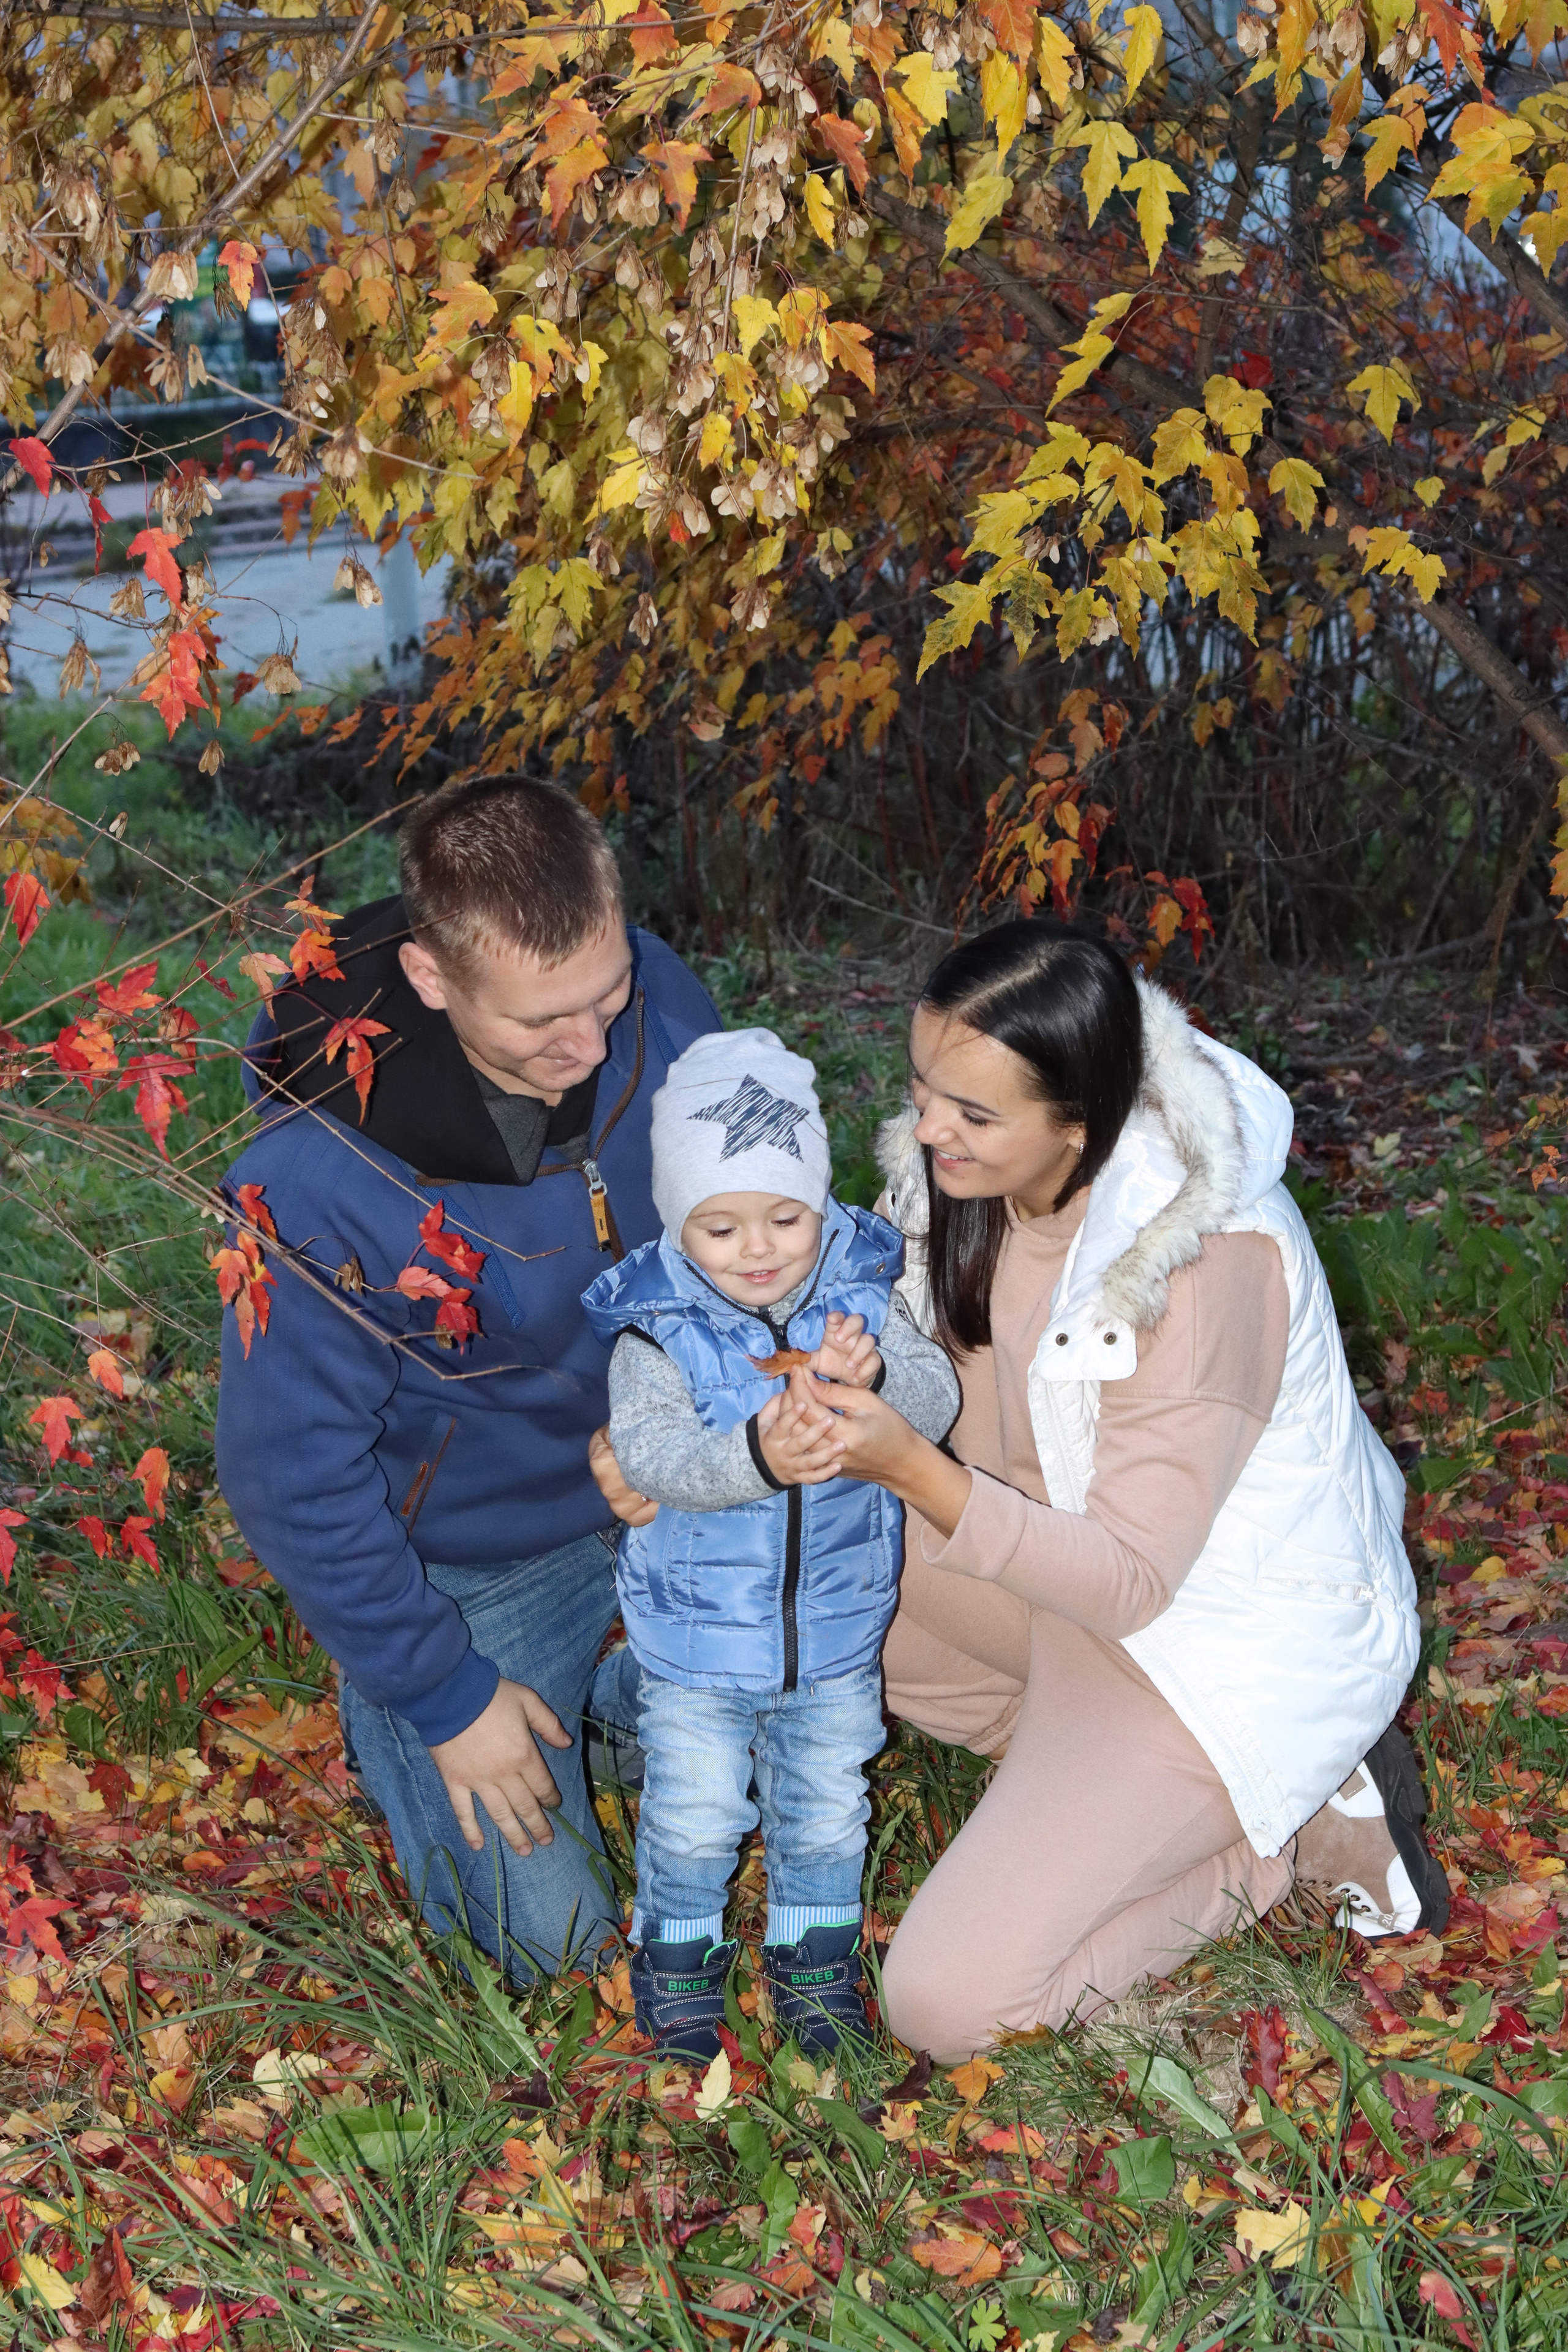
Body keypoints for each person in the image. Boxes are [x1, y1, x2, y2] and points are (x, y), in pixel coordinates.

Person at [594, 921, 1446, 2060]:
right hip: (1043, 1598)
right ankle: (1058, 1766)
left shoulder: (1201, 1267)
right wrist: (674, 1453)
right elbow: (800, 1344)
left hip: (1202, 1646)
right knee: (804, 1570)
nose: (928, 1131)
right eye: (922, 1088)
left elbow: (1134, 1581)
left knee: (950, 2006)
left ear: (1081, 1123)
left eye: (973, 1114)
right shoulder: (957, 1183)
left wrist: (910, 1468)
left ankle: (1290, 1830)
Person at [215, 777, 722, 1979]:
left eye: (605, 1000)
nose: (591, 1050)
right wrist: (445, 1697)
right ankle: (405, 1712)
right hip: (473, 1563)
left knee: (820, 1699)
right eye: (541, 1024)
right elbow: (290, 1479)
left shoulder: (657, 998)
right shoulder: (313, 1179)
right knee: (562, 1956)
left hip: (671, 1479)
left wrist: (669, 1396)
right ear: (435, 980)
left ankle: (609, 1714)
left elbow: (744, 1228)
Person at [581, 1031, 959, 2059]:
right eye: (721, 1226)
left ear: (819, 1197)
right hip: (699, 1644)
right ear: (677, 1220)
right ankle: (678, 1967)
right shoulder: (656, 1324)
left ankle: (815, 1965)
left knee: (828, 1808)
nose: (757, 1248)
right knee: (698, 1812)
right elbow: (655, 1455)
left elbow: (938, 1396)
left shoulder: (862, 1286)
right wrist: (758, 1452)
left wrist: (873, 1380)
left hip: (836, 1630)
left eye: (785, 1216)